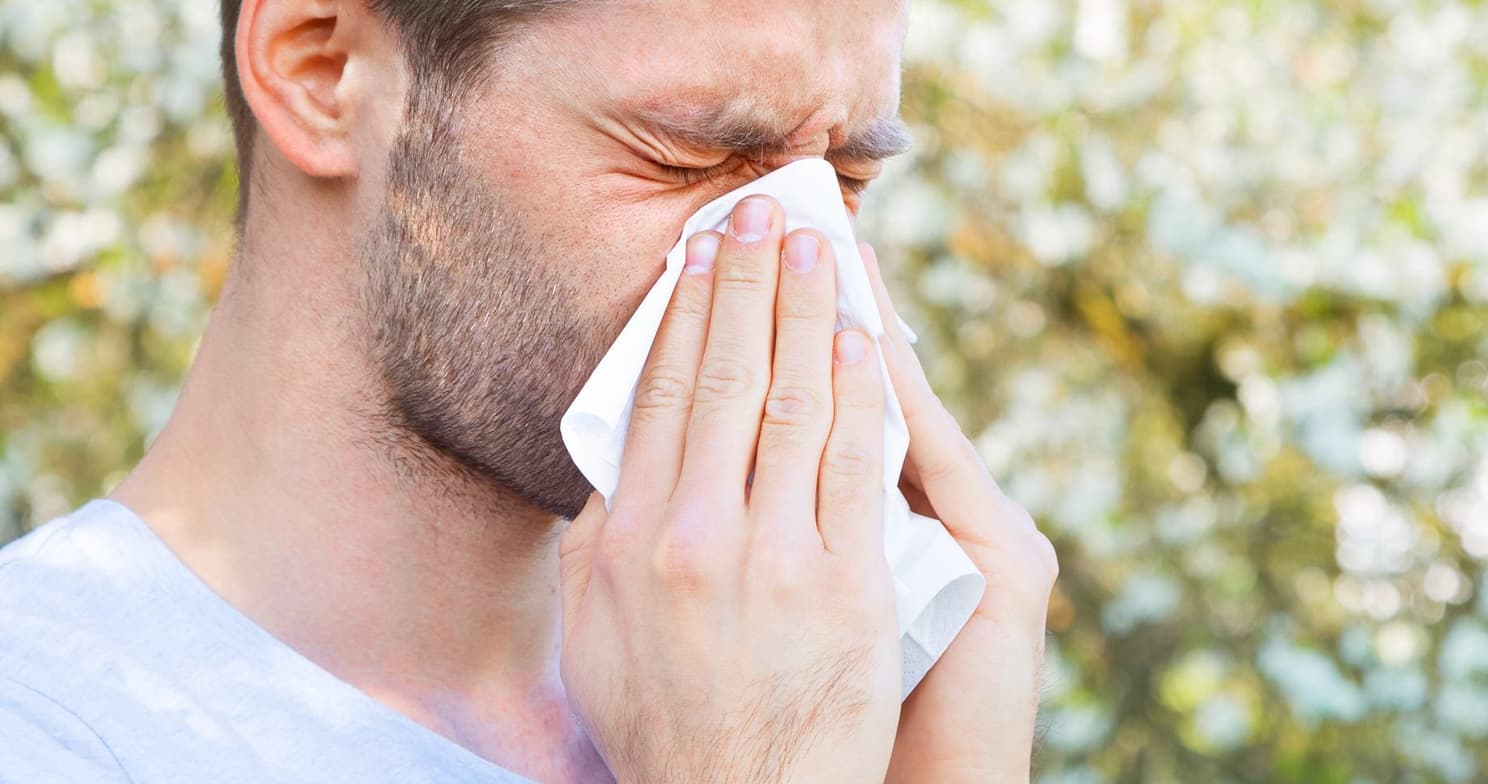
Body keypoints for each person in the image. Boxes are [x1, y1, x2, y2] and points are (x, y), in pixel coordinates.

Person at [0, 0, 1058, 780]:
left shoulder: (829, 679)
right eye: (687, 158)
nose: (794, 255)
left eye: (846, 183)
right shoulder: (50, 723)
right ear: (322, 73)